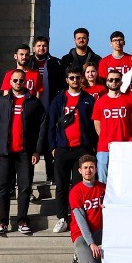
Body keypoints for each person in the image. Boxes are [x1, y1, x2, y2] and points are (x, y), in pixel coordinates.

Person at [0, 69, 47, 235]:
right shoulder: (2, 102)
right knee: (4, 188)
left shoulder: (34, 103)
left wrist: (37, 151)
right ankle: (3, 222)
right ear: (10, 82)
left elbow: (42, 127)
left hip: (25, 153)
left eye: (21, 80)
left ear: (25, 82)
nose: (18, 83)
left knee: (25, 188)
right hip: (6, 153)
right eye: (15, 80)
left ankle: (22, 220)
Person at [48, 69, 97, 233]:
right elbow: (51, 124)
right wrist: (52, 146)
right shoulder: (58, 100)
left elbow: (94, 125)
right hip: (62, 148)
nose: (75, 80)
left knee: (78, 186)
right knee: (61, 185)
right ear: (67, 80)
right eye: (71, 78)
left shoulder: (88, 99)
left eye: (77, 77)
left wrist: (92, 146)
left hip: (82, 149)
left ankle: (77, 217)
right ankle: (62, 217)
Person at [92, 74, 132, 181]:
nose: (113, 82)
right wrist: (107, 138)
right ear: (107, 82)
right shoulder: (100, 102)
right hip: (104, 148)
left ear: (121, 82)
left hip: (124, 146)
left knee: (124, 180)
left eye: (117, 80)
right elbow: (98, 127)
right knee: (103, 182)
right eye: (111, 80)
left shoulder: (129, 100)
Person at [67, 155, 106, 263]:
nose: (88, 170)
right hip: (82, 234)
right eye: (85, 168)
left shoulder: (103, 188)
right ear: (80, 171)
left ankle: (93, 254)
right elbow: (81, 221)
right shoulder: (75, 192)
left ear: (96, 169)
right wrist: (91, 243)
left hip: (100, 231)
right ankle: (78, 256)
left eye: (91, 167)